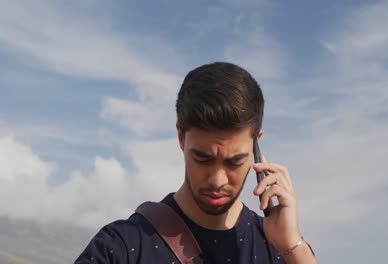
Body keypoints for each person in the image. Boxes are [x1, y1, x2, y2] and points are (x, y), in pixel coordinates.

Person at [75, 62, 317, 263]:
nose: (217, 180)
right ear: (181, 137)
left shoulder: (281, 249)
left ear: (256, 143)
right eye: (203, 158)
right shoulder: (121, 248)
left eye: (235, 162)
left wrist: (293, 248)